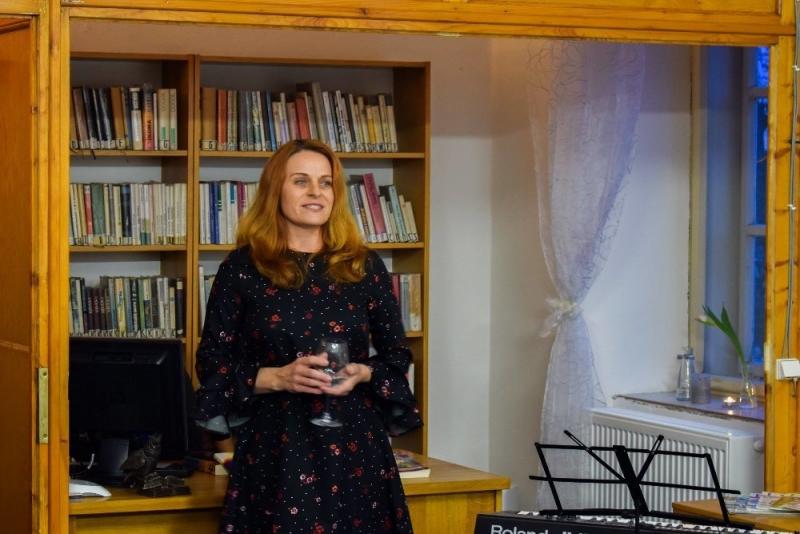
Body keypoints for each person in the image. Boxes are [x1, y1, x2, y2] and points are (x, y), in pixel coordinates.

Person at [194, 139, 422, 534]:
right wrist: (277, 377)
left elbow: (396, 356)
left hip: (356, 450)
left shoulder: (364, 266)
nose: (316, 192)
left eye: (325, 182)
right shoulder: (242, 268)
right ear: (275, 191)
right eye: (301, 181)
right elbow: (211, 363)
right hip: (277, 451)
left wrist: (363, 373)